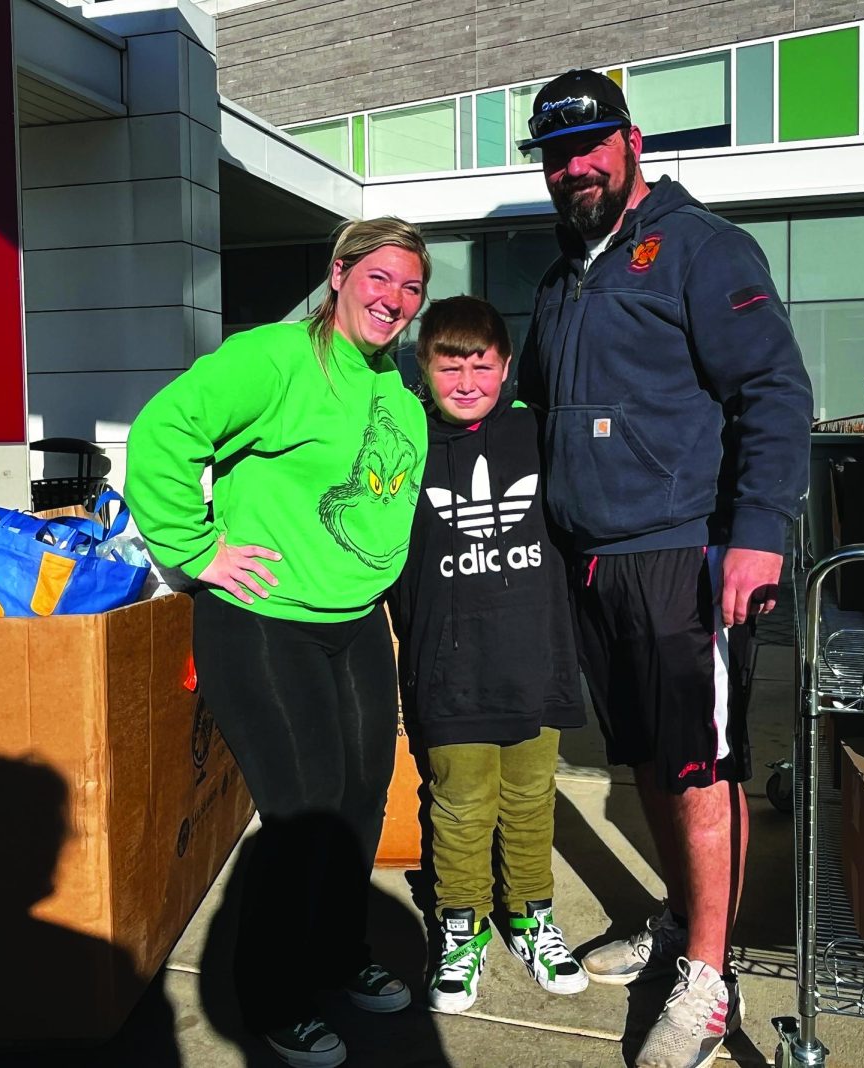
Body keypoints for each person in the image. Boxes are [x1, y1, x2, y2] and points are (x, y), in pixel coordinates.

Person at [516, 70, 813, 1068]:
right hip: (593, 568)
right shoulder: (562, 278)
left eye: (590, 146)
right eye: (557, 155)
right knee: (644, 755)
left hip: (687, 559)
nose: (575, 168)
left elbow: (773, 389)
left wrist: (761, 529)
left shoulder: (702, 248)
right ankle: (682, 918)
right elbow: (525, 413)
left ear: (632, 142)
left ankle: (707, 982)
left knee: (701, 767)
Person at [125, 217, 432, 1068]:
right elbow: (163, 433)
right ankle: (271, 997)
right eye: (379, 279)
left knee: (361, 801)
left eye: (410, 288)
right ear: (339, 274)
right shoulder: (273, 359)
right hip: (263, 620)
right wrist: (194, 551)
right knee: (303, 812)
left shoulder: (393, 386)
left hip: (353, 623)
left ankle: (337, 958)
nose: (394, 301)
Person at [388, 295, 588, 1014]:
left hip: (535, 653)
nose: (467, 379)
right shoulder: (403, 439)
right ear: (425, 367)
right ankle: (461, 926)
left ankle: (532, 914)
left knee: (532, 798)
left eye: (482, 364)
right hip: (448, 666)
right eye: (450, 365)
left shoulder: (539, 433)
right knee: (461, 803)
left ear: (506, 366)